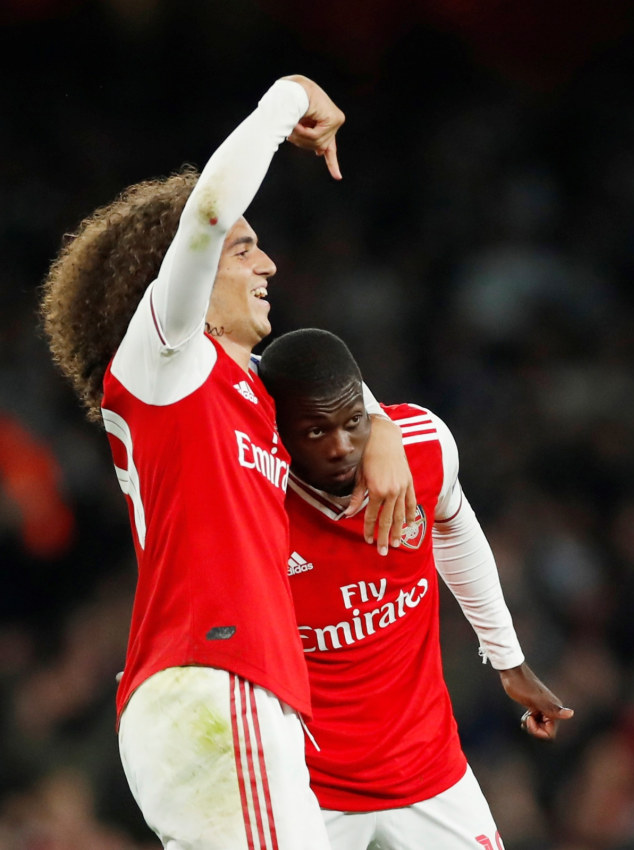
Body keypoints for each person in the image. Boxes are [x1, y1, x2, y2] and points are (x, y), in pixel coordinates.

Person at [40, 77, 414, 850]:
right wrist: (288, 98)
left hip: (225, 697)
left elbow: (341, 406)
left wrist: (380, 428)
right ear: (185, 280)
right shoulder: (166, 359)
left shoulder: (241, 399)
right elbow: (207, 212)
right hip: (218, 678)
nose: (268, 263)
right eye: (245, 249)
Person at [259, 328, 575, 850]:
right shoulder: (253, 494)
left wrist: (509, 661)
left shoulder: (424, 444)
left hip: (431, 773)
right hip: (309, 790)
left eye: (353, 424)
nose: (341, 447)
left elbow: (457, 530)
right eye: (315, 433)